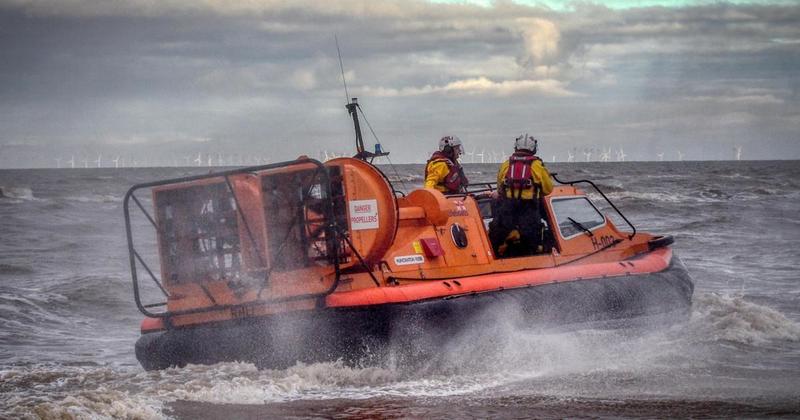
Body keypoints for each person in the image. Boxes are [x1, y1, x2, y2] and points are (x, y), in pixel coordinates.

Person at [489, 133, 554, 257]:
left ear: (516, 147)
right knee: (532, 238)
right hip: (529, 209)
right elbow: (548, 189)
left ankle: (498, 256)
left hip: (507, 209)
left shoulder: (506, 164)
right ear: (533, 148)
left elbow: (500, 188)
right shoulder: (537, 166)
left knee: (498, 233)